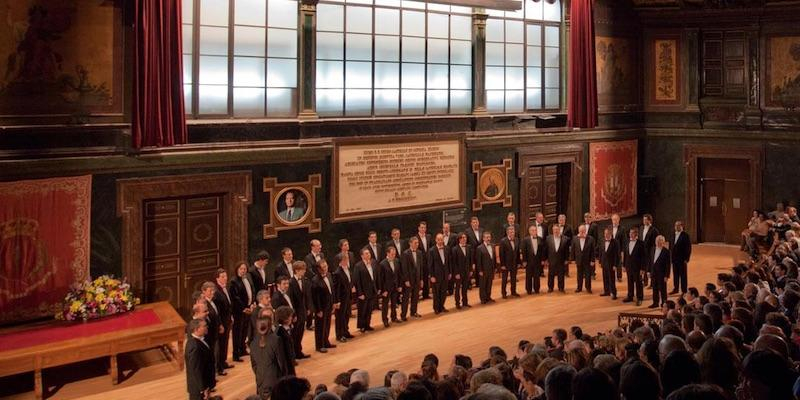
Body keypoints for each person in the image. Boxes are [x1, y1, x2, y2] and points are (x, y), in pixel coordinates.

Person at [250, 316, 289, 398]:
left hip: (262, 380)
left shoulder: (253, 343)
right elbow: (281, 363)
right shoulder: (276, 340)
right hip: (273, 380)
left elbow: (254, 365)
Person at [229, 261, 256, 362]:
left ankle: (242, 349)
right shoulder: (233, 282)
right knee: (237, 332)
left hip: (248, 308)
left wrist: (252, 303)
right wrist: (244, 308)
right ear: (237, 269)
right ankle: (236, 354)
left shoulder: (248, 277)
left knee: (245, 330)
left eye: (244, 269)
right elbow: (235, 298)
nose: (243, 271)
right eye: (241, 269)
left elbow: (252, 290)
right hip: (239, 311)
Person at [310, 259, 338, 353]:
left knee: (327, 325)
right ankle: (319, 345)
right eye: (324, 267)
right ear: (319, 269)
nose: (326, 268)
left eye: (326, 266)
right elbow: (315, 297)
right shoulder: (315, 280)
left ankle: (326, 342)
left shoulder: (329, 275)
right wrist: (318, 310)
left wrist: (334, 302)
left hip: (329, 305)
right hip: (321, 307)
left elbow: (331, 290)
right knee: (320, 327)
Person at [185, 318, 214, 400]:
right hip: (198, 388)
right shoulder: (194, 346)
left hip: (205, 383)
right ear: (196, 329)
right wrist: (202, 388)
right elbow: (195, 369)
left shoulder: (201, 340)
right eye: (204, 326)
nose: (207, 327)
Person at [288, 261, 311, 359]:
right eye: (303, 269)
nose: (304, 271)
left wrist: (308, 308)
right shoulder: (291, 282)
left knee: (300, 332)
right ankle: (293, 354)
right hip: (296, 313)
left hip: (303, 311)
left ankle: (299, 351)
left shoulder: (304, 280)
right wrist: (293, 315)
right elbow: (291, 301)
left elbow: (306, 296)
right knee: (294, 334)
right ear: (297, 270)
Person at [201, 281, 223, 376]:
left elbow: (217, 315)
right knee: (211, 354)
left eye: (213, 290)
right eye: (210, 291)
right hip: (209, 334)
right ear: (204, 291)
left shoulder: (213, 301)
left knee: (216, 353)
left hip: (215, 332)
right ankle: (212, 374)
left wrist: (220, 325)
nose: (212, 293)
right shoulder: (203, 304)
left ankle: (217, 370)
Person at [354, 248, 378, 332]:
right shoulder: (358, 266)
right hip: (363, 292)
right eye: (366, 253)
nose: (368, 254)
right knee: (362, 310)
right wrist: (360, 293)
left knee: (369, 309)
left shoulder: (373, 262)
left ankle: (367, 325)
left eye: (369, 253)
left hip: (372, 290)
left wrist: (377, 288)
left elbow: (375, 276)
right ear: (362, 256)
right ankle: (361, 326)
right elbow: (357, 281)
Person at [400, 236, 424, 320]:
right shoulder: (405, 253)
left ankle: (413, 312)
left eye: (417, 243)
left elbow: (420, 267)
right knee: (406, 298)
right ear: (410, 243)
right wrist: (406, 280)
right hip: (409, 280)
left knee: (415, 297)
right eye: (415, 243)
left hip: (417, 279)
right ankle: (403, 315)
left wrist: (421, 279)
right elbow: (404, 268)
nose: (417, 244)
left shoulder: (419, 252)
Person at [333, 253, 354, 342]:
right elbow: (336, 289)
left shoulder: (347, 269)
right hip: (341, 299)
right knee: (340, 317)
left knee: (346, 315)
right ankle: (339, 335)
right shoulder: (337, 273)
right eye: (345, 259)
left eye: (347, 259)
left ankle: (345, 332)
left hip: (348, 297)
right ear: (341, 261)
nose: (347, 261)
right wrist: (337, 301)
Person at [379, 246, 402, 326]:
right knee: (385, 305)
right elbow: (381, 279)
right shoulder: (382, 264)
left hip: (395, 286)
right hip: (386, 288)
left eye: (394, 254)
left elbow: (399, 274)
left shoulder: (397, 261)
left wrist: (399, 285)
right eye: (392, 254)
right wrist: (383, 290)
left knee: (394, 303)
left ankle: (394, 317)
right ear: (387, 253)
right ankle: (385, 320)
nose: (393, 255)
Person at [428, 233, 451, 314]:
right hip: (436, 276)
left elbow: (449, 262)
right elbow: (430, 265)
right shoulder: (431, 250)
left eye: (441, 239)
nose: (440, 241)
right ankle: (436, 308)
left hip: (445, 274)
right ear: (436, 240)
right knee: (436, 293)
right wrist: (432, 276)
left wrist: (449, 273)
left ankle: (442, 306)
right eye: (438, 239)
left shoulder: (447, 248)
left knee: (443, 292)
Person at [623, 227, 646, 306]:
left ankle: (639, 298)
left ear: (636, 234)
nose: (630, 234)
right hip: (629, 266)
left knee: (638, 283)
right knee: (630, 282)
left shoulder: (641, 243)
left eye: (632, 233)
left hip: (638, 267)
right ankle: (630, 296)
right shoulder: (627, 242)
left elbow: (644, 257)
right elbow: (625, 255)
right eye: (630, 233)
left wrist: (642, 268)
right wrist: (624, 265)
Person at [571, 224, 596, 293]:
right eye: (580, 231)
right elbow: (573, 249)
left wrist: (592, 260)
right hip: (578, 260)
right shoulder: (575, 238)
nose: (582, 232)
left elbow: (593, 251)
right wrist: (572, 259)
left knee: (588, 275)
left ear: (585, 231)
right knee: (579, 275)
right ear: (578, 231)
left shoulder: (591, 239)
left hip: (587, 260)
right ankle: (579, 288)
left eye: (583, 230)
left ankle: (588, 288)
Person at [521, 224, 546, 295]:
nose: (534, 231)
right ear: (529, 231)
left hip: (537, 261)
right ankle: (528, 290)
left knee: (537, 276)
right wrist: (524, 261)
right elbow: (524, 251)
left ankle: (536, 289)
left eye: (535, 230)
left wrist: (543, 260)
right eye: (532, 230)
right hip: (529, 261)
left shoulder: (540, 239)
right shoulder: (525, 240)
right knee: (528, 276)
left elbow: (542, 251)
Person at [450, 233, 472, 308]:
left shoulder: (469, 247)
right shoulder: (454, 249)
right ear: (459, 239)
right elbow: (454, 262)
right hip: (458, 273)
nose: (464, 239)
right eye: (462, 237)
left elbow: (470, 260)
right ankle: (457, 304)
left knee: (465, 288)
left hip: (466, 271)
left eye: (465, 237)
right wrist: (456, 273)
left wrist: (470, 270)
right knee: (457, 289)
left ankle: (465, 302)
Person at [669, 221, 692, 295]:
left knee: (683, 275)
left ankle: (684, 290)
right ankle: (676, 288)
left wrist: (687, 259)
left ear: (682, 226)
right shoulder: (672, 234)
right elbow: (670, 246)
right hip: (674, 259)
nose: (676, 227)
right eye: (675, 225)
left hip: (682, 259)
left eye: (678, 225)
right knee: (675, 275)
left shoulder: (685, 235)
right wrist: (670, 257)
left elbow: (688, 248)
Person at [273, 305, 296, 374]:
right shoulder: (280, 333)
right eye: (290, 316)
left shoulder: (285, 328)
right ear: (285, 318)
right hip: (286, 364)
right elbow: (282, 353)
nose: (291, 318)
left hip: (290, 360)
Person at [546, 225, 570, 293]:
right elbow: (546, 250)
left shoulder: (565, 239)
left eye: (557, 229)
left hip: (561, 260)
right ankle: (550, 288)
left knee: (561, 275)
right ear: (552, 230)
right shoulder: (548, 238)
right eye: (554, 230)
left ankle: (561, 288)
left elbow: (567, 251)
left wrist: (567, 259)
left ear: (559, 230)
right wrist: (546, 259)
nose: (556, 231)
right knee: (551, 275)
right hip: (551, 260)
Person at [649, 235, 671, 308]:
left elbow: (668, 265)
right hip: (654, 273)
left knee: (663, 290)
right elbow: (650, 261)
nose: (658, 242)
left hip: (662, 274)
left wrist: (666, 276)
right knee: (654, 289)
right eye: (657, 241)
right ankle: (655, 303)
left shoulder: (666, 251)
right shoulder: (652, 249)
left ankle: (664, 304)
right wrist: (649, 271)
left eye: (660, 241)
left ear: (663, 242)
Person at [499, 226, 521, 298]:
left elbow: (517, 252)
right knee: (504, 279)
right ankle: (504, 293)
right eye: (510, 232)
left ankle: (513, 292)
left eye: (513, 232)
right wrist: (502, 265)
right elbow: (501, 254)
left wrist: (518, 262)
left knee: (513, 278)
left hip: (514, 263)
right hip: (505, 264)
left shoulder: (517, 239)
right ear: (507, 232)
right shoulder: (503, 241)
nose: (512, 233)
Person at [599, 227, 620, 299]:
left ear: (610, 234)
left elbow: (617, 255)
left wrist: (615, 265)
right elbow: (601, 252)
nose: (605, 235)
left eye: (607, 233)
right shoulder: (602, 241)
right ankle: (606, 291)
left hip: (611, 264)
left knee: (612, 279)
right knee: (605, 278)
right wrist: (600, 261)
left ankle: (614, 293)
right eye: (605, 233)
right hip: (604, 263)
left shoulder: (615, 242)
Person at [476, 231, 496, 304]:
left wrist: (495, 268)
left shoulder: (492, 245)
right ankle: (483, 299)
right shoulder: (479, 248)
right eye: (487, 237)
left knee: (489, 284)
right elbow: (478, 260)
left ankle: (488, 297)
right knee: (483, 285)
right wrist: (480, 270)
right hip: (483, 270)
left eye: (489, 237)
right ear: (483, 238)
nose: (488, 239)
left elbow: (493, 258)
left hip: (491, 269)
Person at [640, 214, 659, 287]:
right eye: (643, 219)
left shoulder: (654, 230)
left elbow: (656, 242)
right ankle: (645, 282)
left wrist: (653, 251)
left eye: (646, 220)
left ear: (650, 220)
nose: (644, 221)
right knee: (644, 266)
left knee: (651, 267)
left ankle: (652, 283)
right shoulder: (641, 228)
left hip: (650, 251)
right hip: (642, 251)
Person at [416, 221, 433, 300]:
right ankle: (417, 295)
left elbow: (431, 248)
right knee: (419, 278)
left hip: (428, 261)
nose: (423, 229)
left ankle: (426, 294)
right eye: (422, 227)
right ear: (418, 228)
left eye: (424, 228)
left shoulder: (429, 236)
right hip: (419, 261)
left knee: (426, 278)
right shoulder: (415, 238)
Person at [610, 213, 626, 282]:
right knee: (611, 262)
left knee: (619, 262)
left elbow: (624, 240)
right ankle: (611, 276)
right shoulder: (609, 227)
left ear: (619, 220)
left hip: (619, 248)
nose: (614, 221)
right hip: (610, 248)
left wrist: (623, 250)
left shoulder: (622, 229)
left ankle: (619, 276)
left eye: (616, 219)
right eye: (613, 219)